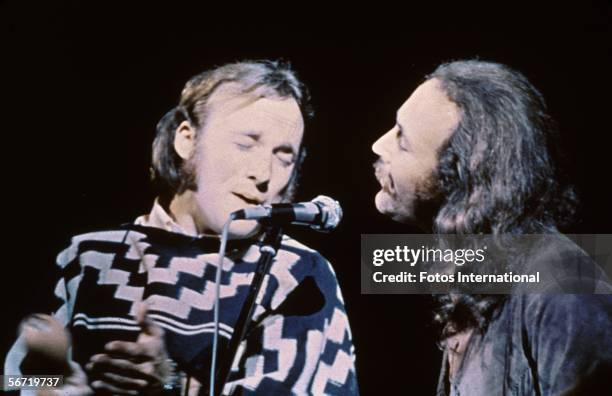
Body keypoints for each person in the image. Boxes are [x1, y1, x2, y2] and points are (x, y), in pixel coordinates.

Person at [6, 60, 358, 395]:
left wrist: (171, 387)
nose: (263, 175)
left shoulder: (299, 276)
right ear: (187, 140)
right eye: (245, 143)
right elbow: (10, 382)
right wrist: (53, 386)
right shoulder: (89, 256)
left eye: (285, 157)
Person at [371, 60, 612, 395]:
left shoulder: (564, 283)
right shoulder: (479, 280)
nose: (378, 145)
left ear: (460, 178)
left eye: (402, 140)